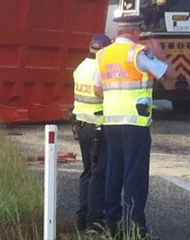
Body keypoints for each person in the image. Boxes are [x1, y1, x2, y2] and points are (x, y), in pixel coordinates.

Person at [95, 14, 175, 238]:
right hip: (135, 124)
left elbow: (98, 89)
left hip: (112, 121)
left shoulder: (103, 54)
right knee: (135, 177)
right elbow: (168, 74)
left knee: (113, 174)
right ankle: (135, 228)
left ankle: (111, 225)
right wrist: (159, 53)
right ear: (136, 31)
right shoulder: (139, 53)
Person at [73, 33, 112, 233]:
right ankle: (94, 221)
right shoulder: (101, 68)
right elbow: (103, 94)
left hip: (82, 125)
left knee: (87, 172)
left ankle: (82, 217)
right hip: (98, 126)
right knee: (99, 173)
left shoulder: (80, 67)